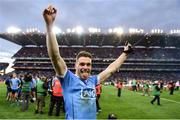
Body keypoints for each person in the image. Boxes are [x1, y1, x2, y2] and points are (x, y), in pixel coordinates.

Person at [43, 5, 133, 119]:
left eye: (88, 64)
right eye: (82, 64)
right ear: (76, 65)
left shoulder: (93, 80)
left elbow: (110, 70)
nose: (85, 67)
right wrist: (49, 25)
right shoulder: (68, 78)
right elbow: (55, 56)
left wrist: (125, 54)